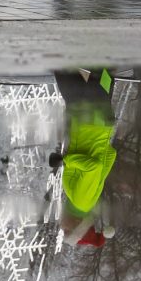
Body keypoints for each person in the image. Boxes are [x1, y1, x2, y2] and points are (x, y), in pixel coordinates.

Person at [50, 69, 118, 246]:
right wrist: (66, 160)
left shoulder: (87, 201)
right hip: (90, 121)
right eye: (66, 231)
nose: (61, 227)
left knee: (101, 72)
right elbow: (93, 166)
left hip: (99, 122)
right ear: (76, 225)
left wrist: (99, 142)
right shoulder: (81, 201)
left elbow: (110, 155)